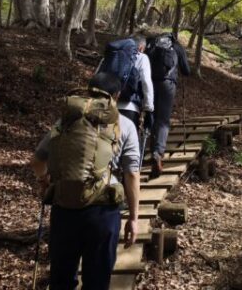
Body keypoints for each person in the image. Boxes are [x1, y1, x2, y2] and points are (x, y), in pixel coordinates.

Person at [31, 71, 140, 290]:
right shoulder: (124, 125)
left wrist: (44, 182)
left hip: (64, 208)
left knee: (61, 280)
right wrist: (134, 219)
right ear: (116, 96)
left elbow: (37, 160)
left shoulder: (66, 121)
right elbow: (131, 174)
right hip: (102, 213)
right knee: (97, 281)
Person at [146, 33, 191, 178]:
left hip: (151, 83)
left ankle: (150, 150)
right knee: (163, 121)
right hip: (168, 84)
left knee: (151, 116)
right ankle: (158, 153)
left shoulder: (152, 45)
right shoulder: (176, 46)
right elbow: (186, 70)